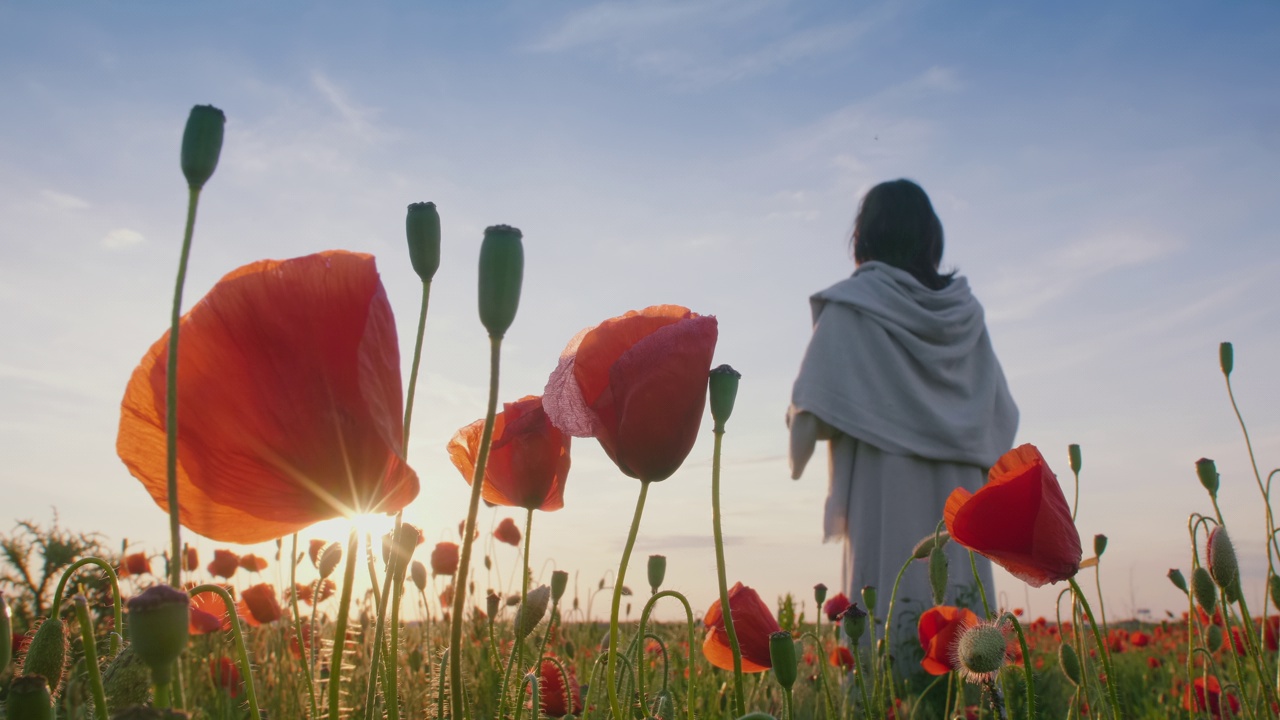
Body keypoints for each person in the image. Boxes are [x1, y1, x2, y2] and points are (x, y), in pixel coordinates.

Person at [788, 178, 1018, 660]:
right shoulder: (964, 316)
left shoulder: (856, 307)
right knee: (966, 646)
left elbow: (808, 418)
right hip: (962, 505)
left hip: (884, 498)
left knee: (887, 641)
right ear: (931, 238)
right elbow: (1001, 420)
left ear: (864, 237)